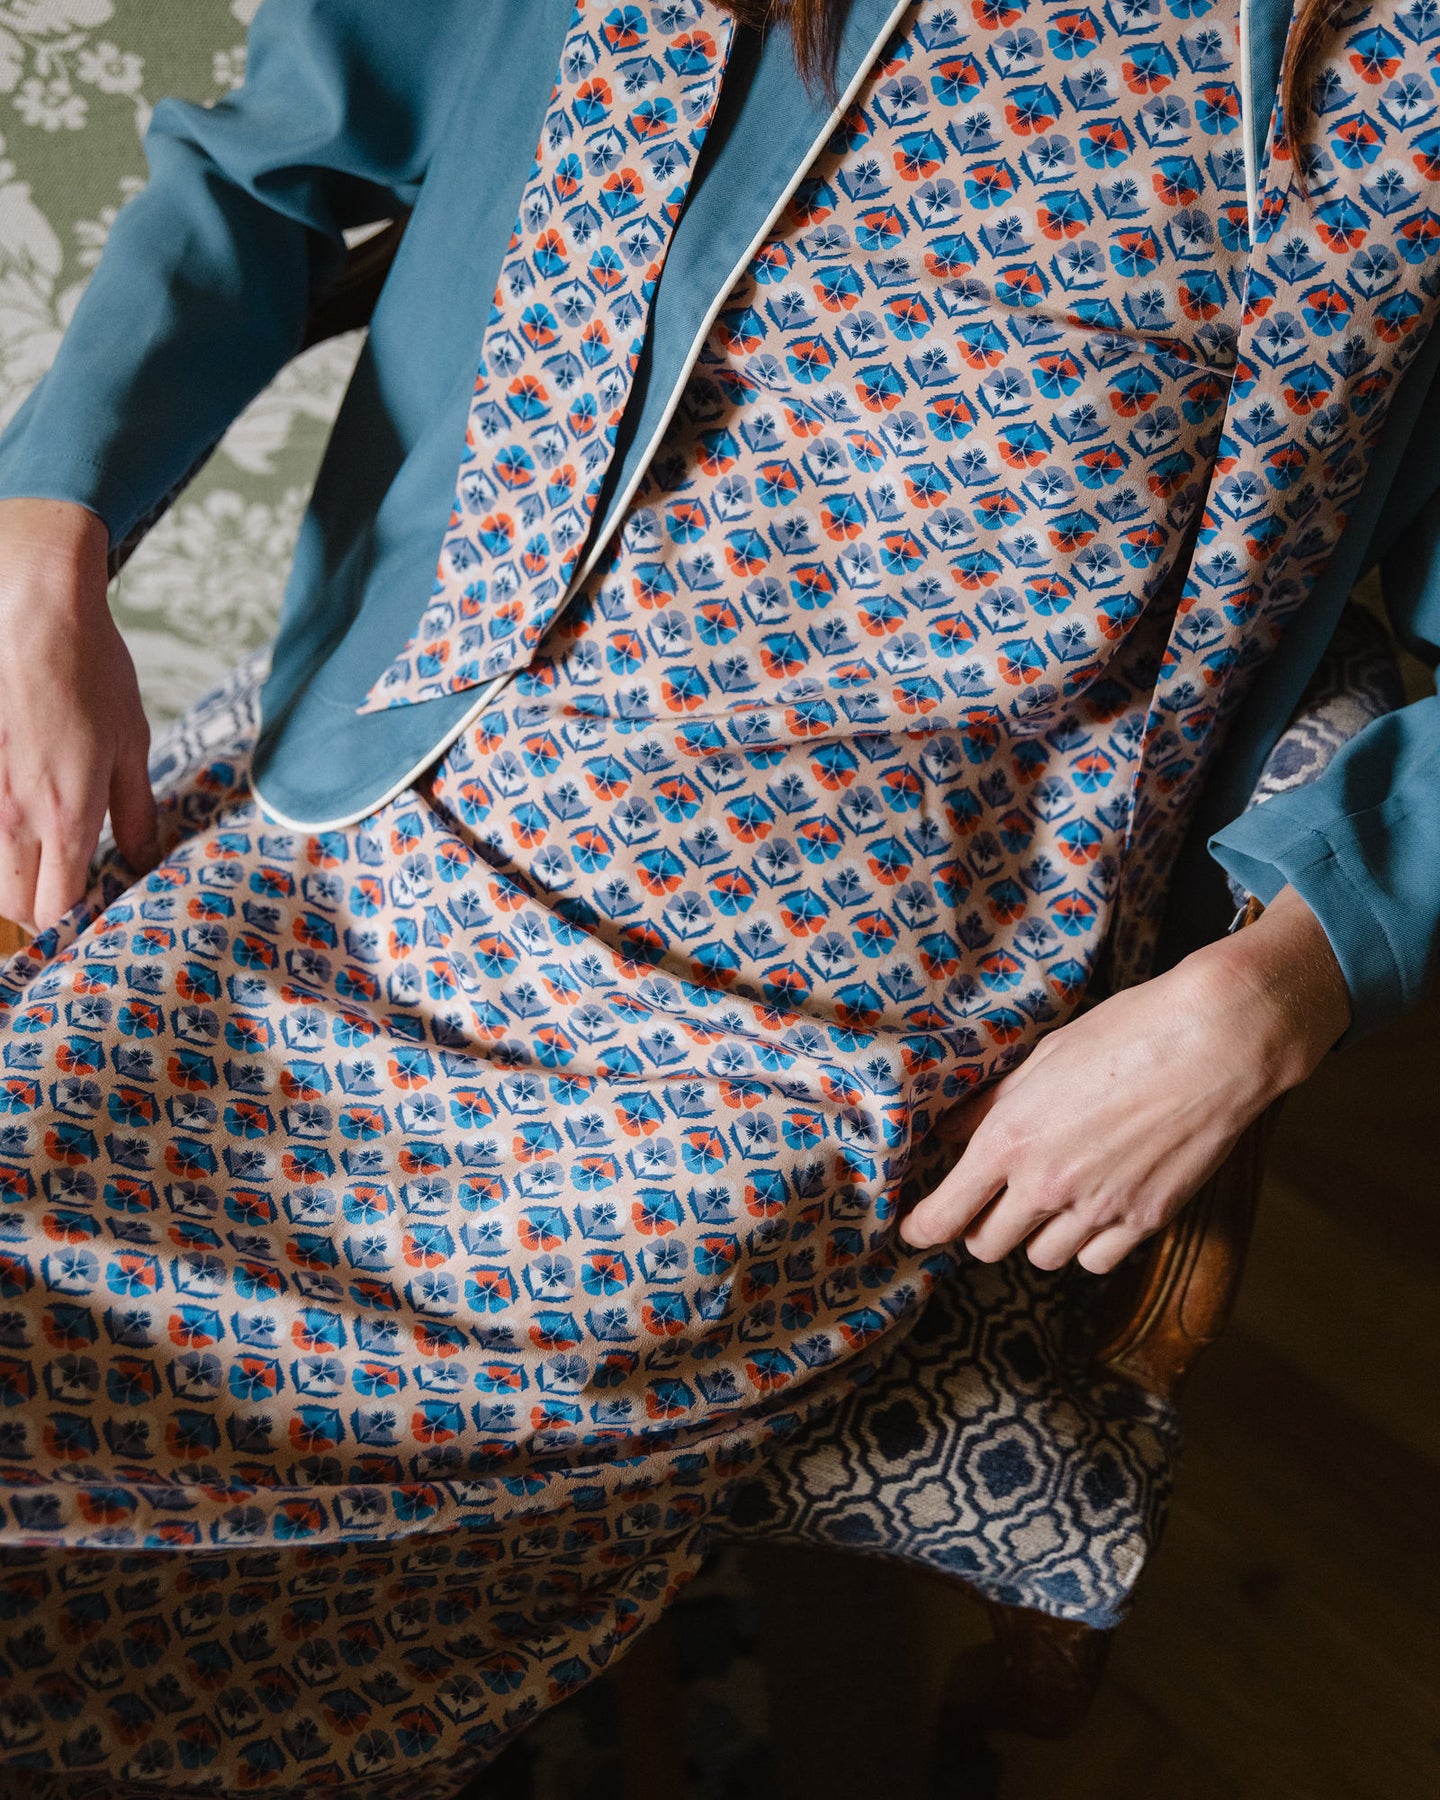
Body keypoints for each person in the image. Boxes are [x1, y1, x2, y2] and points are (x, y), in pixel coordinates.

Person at [0, 0, 1433, 1791]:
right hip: (374, 819)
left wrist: (1274, 988)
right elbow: (262, 167)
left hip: (792, 1050)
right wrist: (40, 546)